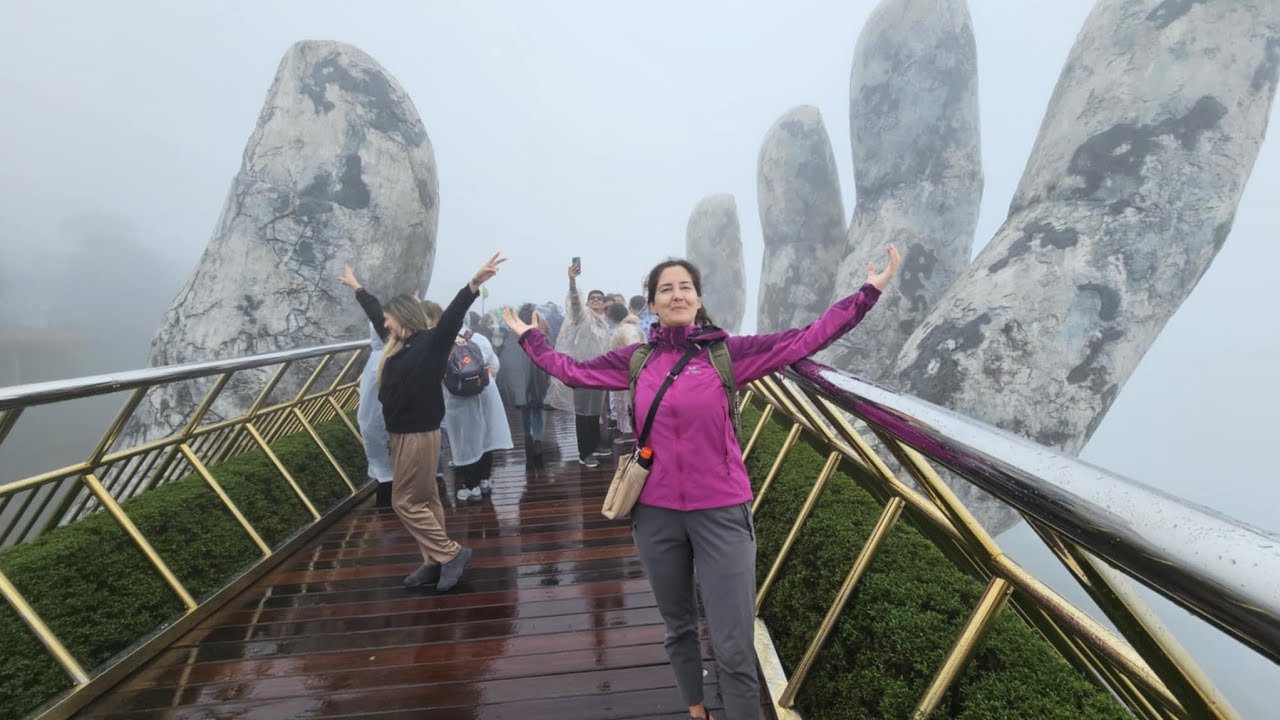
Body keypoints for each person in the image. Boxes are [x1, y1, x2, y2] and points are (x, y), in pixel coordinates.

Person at [502, 246, 900, 720]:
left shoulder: (728, 354)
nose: (676, 295)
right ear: (652, 303)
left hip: (722, 512)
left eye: (685, 287)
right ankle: (695, 707)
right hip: (655, 515)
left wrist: (866, 294)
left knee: (733, 645)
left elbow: (806, 339)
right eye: (666, 289)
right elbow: (573, 372)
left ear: (697, 298)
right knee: (679, 627)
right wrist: (531, 339)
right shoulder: (637, 360)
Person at [338, 252, 505, 593]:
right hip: (404, 435)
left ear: (402, 318)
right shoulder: (397, 344)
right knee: (426, 500)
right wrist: (357, 288)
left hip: (417, 435)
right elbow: (375, 313)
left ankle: (450, 553)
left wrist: (474, 284)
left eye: (389, 319)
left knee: (404, 502)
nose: (385, 324)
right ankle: (433, 561)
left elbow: (452, 315)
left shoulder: (430, 344)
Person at [443, 319, 514, 501]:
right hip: (486, 393)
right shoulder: (479, 339)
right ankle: (484, 480)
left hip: (459, 399)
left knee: (466, 441)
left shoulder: (443, 343)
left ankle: (471, 486)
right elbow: (494, 365)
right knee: (485, 440)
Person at [555, 264, 614, 468]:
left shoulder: (604, 323)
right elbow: (575, 303)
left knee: (596, 412)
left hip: (600, 373)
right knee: (583, 413)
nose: (596, 300)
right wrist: (572, 282)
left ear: (604, 304)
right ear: (587, 302)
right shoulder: (583, 316)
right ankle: (584, 452)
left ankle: (594, 446)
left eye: (599, 298)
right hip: (583, 371)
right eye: (592, 298)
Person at [497, 303, 553, 468]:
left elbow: (506, 360)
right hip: (538, 379)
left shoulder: (511, 337)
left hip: (520, 380)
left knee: (525, 408)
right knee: (536, 409)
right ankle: (537, 439)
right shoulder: (541, 335)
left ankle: (527, 434)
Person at [357, 322, 396, 507]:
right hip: (389, 423)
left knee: (383, 466)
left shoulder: (374, 359)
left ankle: (386, 503)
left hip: (373, 422)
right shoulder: (390, 358)